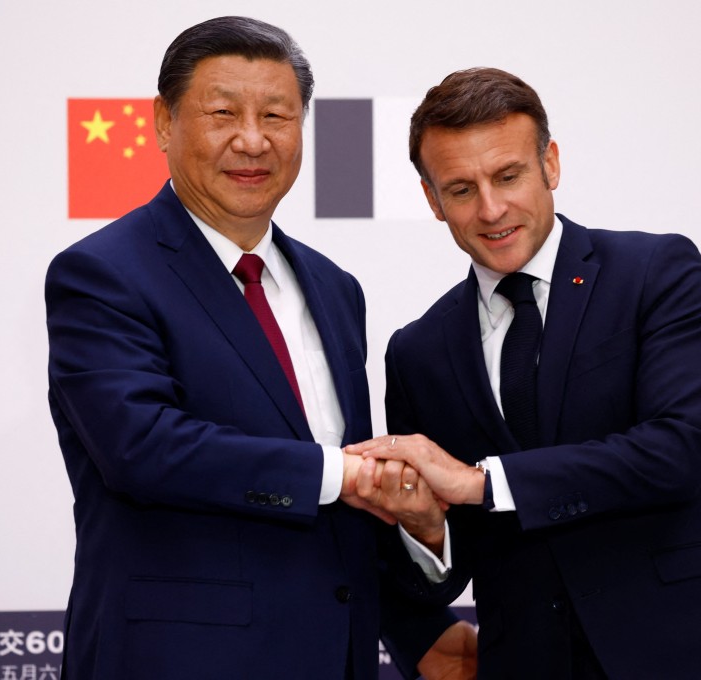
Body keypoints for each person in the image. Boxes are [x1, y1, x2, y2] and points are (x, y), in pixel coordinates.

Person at [45, 16, 473, 679]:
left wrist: (419, 540)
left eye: (276, 115)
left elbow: (340, 510)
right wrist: (347, 475)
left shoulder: (335, 288)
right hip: (179, 664)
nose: (252, 139)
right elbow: (143, 448)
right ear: (163, 122)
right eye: (222, 113)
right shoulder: (103, 273)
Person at [347, 67, 701, 678]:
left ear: (549, 164)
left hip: (687, 650)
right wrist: (426, 529)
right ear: (432, 200)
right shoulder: (417, 351)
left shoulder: (653, 270)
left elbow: (674, 452)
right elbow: (443, 568)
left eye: (508, 176)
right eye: (462, 189)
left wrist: (482, 483)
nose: (491, 209)